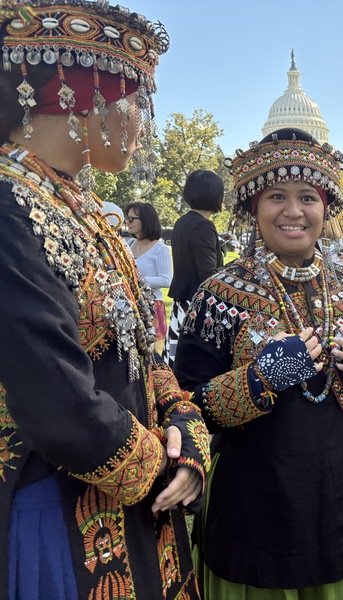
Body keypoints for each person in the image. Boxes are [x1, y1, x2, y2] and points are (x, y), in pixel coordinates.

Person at [0, 3, 208, 599]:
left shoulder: (85, 209)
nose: (144, 121)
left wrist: (186, 435)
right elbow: (53, 394)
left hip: (138, 500)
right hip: (58, 511)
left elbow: (146, 348)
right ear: (84, 92)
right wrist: (160, 469)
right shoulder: (10, 207)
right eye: (137, 100)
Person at [174, 128, 343, 599]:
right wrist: (259, 380)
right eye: (276, 196)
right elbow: (188, 403)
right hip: (254, 500)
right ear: (254, 208)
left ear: (326, 208)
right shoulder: (219, 294)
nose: (294, 211)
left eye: (307, 197)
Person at [166, 169, 224, 366]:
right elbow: (208, 275)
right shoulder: (203, 226)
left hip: (182, 303)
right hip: (196, 307)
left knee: (176, 359)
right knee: (192, 365)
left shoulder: (182, 221)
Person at [126, 202, 173, 356]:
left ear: (145, 221)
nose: (128, 222)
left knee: (152, 354)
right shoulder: (130, 244)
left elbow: (166, 280)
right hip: (130, 305)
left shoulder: (160, 249)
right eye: (127, 218)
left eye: (132, 219)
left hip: (152, 307)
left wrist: (137, 280)